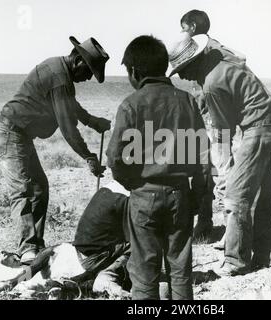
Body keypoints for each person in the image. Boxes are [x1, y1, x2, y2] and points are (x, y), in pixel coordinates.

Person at [168, 32, 271, 276]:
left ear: (194, 62)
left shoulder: (211, 84)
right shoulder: (221, 59)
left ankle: (235, 261)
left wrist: (222, 167)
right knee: (261, 194)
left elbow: (223, 132)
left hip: (258, 128)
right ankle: (267, 254)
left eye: (184, 68)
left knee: (236, 195)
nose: (182, 75)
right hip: (268, 122)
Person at [106, 35, 209, 299]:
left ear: (134, 72)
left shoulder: (132, 104)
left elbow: (116, 159)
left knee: (144, 274)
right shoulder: (187, 101)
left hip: (144, 196)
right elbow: (202, 157)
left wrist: (136, 186)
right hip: (180, 195)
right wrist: (196, 196)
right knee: (181, 272)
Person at [0, 36, 111, 264]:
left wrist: (92, 121)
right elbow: (67, 127)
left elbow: (69, 105)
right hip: (10, 133)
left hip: (20, 135)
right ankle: (28, 251)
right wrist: (88, 157)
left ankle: (35, 246)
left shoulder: (60, 72)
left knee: (38, 188)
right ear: (77, 60)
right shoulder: (59, 77)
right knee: (24, 190)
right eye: (88, 71)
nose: (87, 78)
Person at [179, 10, 247, 239]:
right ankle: (207, 223)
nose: (182, 33)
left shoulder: (212, 50)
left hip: (216, 120)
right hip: (208, 119)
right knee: (205, 171)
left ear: (193, 28)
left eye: (184, 28)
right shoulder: (210, 50)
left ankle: (231, 228)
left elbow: (240, 60)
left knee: (221, 171)